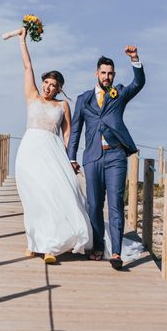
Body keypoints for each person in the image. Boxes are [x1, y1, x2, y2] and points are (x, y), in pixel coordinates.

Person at [14, 27, 92, 264]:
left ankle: (51, 246)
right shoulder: (32, 96)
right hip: (29, 152)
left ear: (59, 88)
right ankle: (34, 242)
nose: (48, 87)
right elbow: (28, 67)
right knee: (33, 197)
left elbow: (68, 134)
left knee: (54, 195)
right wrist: (22, 41)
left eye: (53, 85)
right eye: (46, 83)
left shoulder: (63, 105)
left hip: (53, 152)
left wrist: (71, 159)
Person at [67, 48, 145, 269]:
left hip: (116, 157)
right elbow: (75, 131)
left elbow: (138, 84)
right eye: (103, 73)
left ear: (114, 75)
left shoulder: (119, 94)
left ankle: (117, 253)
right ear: (96, 74)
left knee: (115, 205)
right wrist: (71, 157)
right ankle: (99, 246)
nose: (107, 77)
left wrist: (135, 60)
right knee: (93, 206)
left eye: (110, 73)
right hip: (92, 158)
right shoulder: (84, 99)